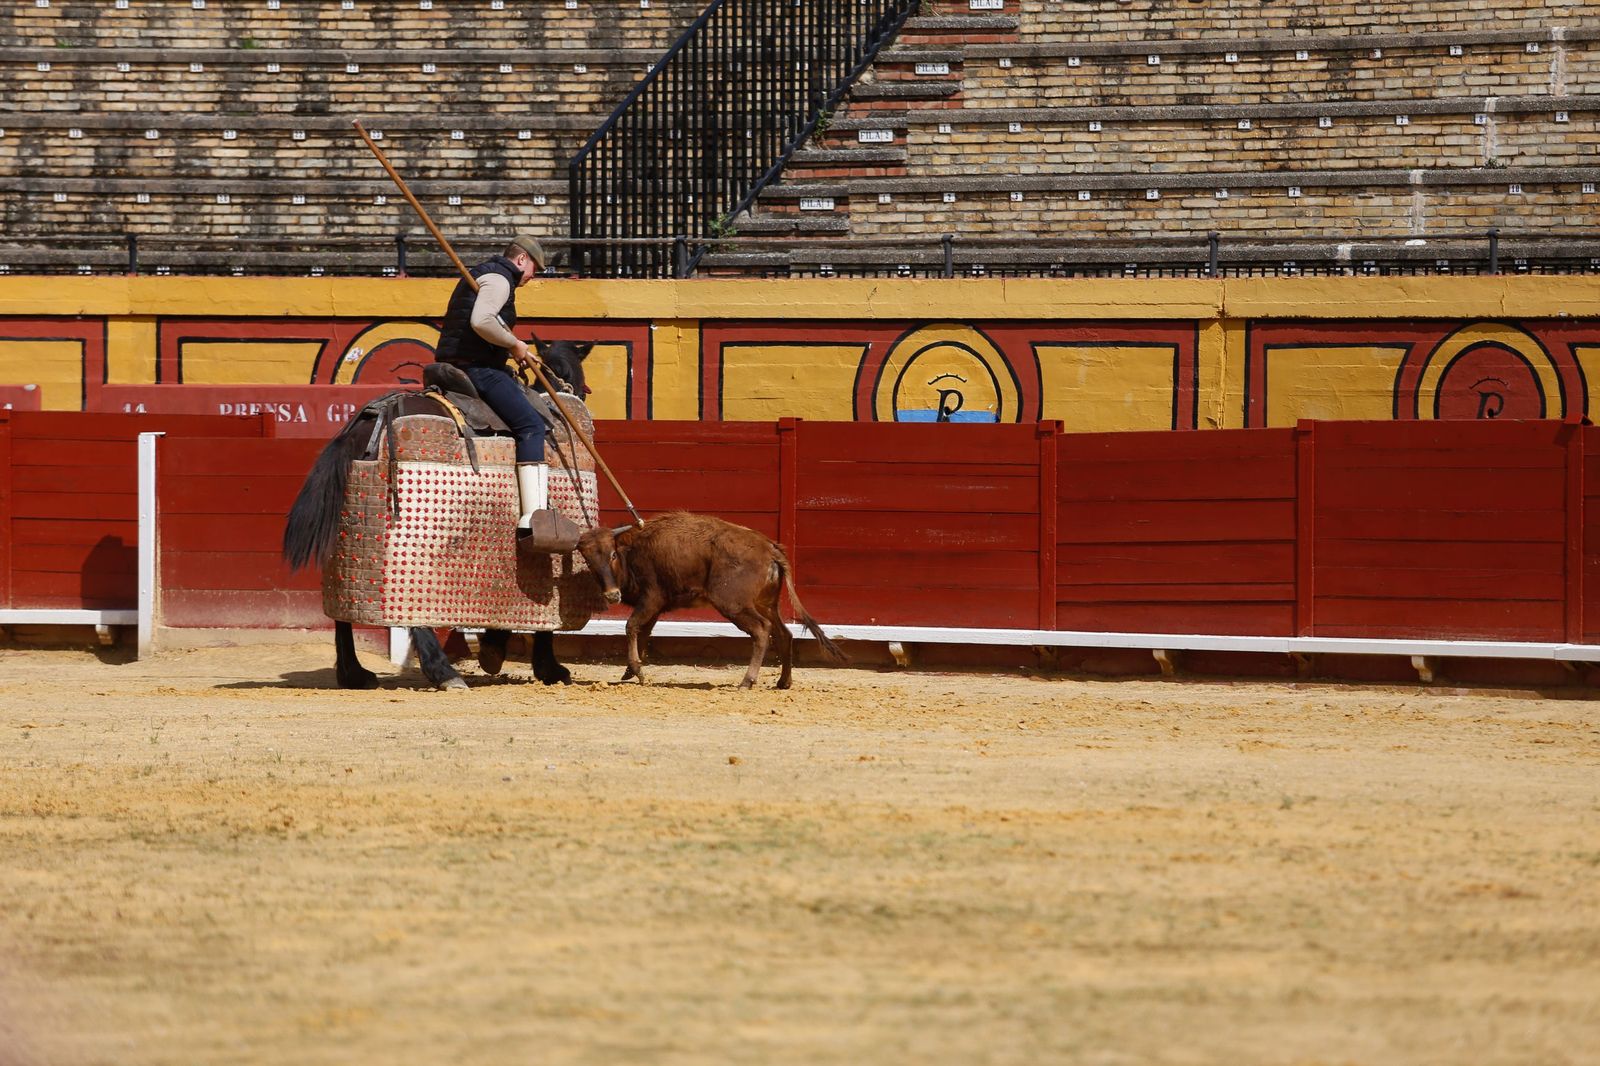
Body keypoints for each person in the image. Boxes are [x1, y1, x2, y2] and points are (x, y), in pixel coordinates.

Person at [433, 233, 553, 532]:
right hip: (479, 368)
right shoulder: (500, 279)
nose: (532, 276)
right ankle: (533, 518)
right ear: (521, 259)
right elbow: (482, 321)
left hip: (462, 360)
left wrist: (515, 348)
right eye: (533, 268)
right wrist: (514, 345)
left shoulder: (486, 274)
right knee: (532, 426)